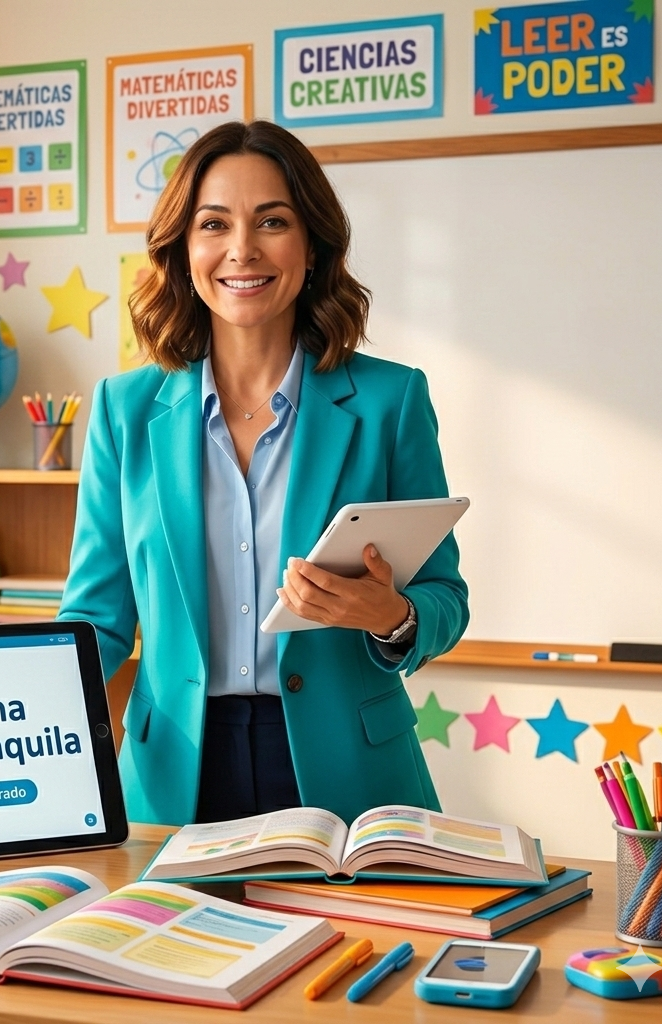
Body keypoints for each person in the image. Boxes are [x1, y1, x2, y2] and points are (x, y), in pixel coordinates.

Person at [58, 120, 468, 826]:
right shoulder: (124, 411)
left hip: (351, 772)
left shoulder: (391, 401)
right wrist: (12, 701)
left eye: (272, 221)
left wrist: (391, 616)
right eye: (213, 224)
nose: (242, 249)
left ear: (312, 246)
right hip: (174, 771)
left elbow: (445, 598)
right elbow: (96, 617)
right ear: (184, 250)